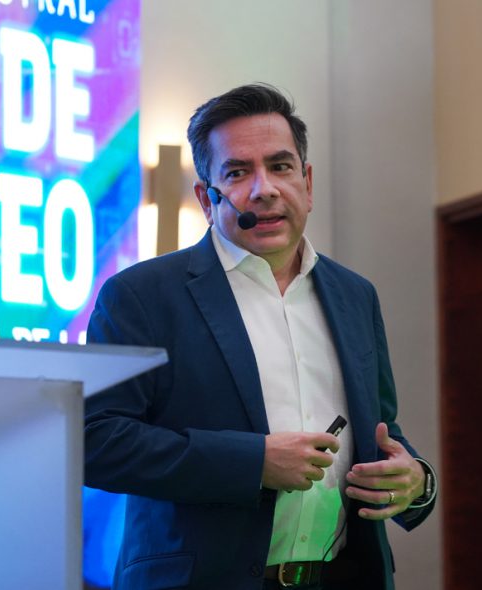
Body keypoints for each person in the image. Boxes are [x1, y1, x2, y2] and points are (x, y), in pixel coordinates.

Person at [84, 83, 437, 590]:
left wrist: (415, 480)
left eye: (280, 166)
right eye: (237, 172)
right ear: (206, 199)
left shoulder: (355, 295)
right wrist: (254, 463)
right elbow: (96, 441)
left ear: (307, 183)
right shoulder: (141, 296)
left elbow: (382, 429)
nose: (264, 189)